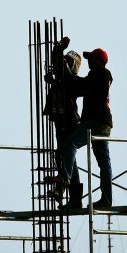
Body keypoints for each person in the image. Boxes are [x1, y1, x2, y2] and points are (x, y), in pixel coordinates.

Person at [49, 45, 113, 209]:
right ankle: (106, 199)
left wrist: (64, 69)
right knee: (104, 163)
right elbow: (78, 85)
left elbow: (78, 84)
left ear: (99, 60)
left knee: (70, 143)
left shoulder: (97, 74)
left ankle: (64, 178)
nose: (89, 61)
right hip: (104, 123)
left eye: (91, 58)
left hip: (96, 121)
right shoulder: (103, 77)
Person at [43, 37, 85, 209]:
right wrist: (53, 81)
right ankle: (71, 196)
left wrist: (59, 48)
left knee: (66, 157)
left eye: (68, 62)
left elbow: (59, 64)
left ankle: (67, 193)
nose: (64, 64)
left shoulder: (72, 80)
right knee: (65, 158)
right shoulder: (65, 80)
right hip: (61, 121)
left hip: (68, 122)